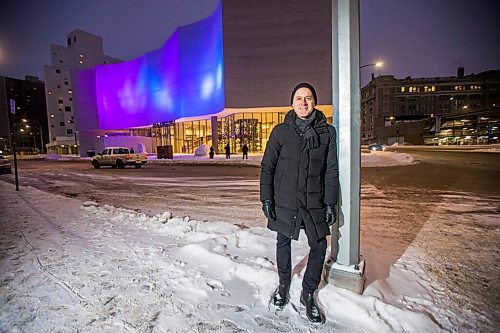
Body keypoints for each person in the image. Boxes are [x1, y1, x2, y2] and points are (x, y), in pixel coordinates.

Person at [260, 82, 339, 323]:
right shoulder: (281, 131)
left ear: (315, 102)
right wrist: (266, 198)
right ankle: (283, 285)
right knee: (283, 241)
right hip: (285, 200)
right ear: (292, 103)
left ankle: (308, 292)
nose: (303, 102)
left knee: (319, 245)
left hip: (314, 199)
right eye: (298, 98)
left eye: (308, 98)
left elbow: (331, 170)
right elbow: (268, 167)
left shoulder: (327, 132)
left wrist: (330, 202)